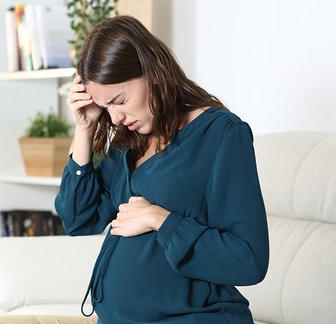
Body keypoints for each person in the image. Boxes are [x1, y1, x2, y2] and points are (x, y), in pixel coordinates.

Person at [54, 15, 269, 324]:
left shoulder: (221, 135)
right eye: (106, 108)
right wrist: (85, 129)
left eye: (120, 100)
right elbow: (79, 219)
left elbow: (249, 259)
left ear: (152, 72)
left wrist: (161, 220)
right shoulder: (129, 141)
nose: (115, 118)